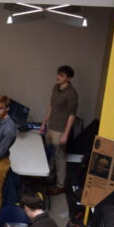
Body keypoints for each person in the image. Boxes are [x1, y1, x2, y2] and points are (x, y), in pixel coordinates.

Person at [39, 64, 80, 195]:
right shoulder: (55, 88)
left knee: (60, 157)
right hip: (51, 127)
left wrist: (65, 135)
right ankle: (50, 178)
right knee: (50, 154)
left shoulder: (72, 93)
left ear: (69, 78)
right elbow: (51, 106)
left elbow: (72, 115)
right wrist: (44, 122)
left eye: (62, 75)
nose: (58, 77)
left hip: (61, 130)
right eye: (58, 74)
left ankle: (60, 184)